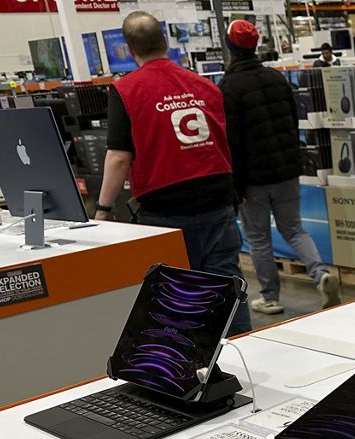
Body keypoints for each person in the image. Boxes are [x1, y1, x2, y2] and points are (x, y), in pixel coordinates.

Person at [94, 11, 252, 335]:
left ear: (128, 48)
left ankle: (188, 372)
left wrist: (103, 209)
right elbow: (227, 142)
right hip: (218, 202)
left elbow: (119, 158)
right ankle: (246, 354)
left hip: (166, 210)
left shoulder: (126, 91)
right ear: (165, 40)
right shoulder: (206, 86)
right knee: (228, 290)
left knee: (180, 298)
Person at [220, 20, 341, 314]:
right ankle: (320, 274)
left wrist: (235, 185)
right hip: (287, 170)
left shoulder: (228, 86)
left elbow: (230, 140)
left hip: (253, 179)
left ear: (230, 46)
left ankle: (271, 298)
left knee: (258, 238)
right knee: (295, 229)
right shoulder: (276, 79)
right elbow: (292, 121)